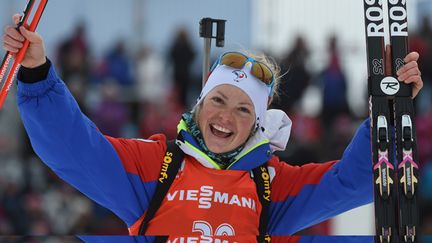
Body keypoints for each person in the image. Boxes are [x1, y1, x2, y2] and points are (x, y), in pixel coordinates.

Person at [2, 13, 423, 242]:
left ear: (257, 124)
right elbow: (73, 149)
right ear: (200, 104)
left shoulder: (271, 183)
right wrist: (37, 73)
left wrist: (385, 108)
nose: (225, 116)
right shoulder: (157, 166)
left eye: (243, 110)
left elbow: (354, 182)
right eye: (218, 100)